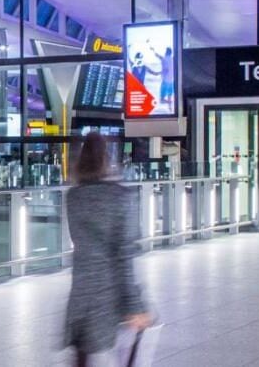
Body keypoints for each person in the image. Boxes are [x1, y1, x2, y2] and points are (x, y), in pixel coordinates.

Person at [64, 132, 151, 367]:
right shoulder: (121, 197)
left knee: (83, 357)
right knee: (121, 357)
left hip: (81, 293)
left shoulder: (73, 197)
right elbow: (123, 256)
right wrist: (135, 305)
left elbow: (83, 243)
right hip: (112, 296)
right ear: (107, 158)